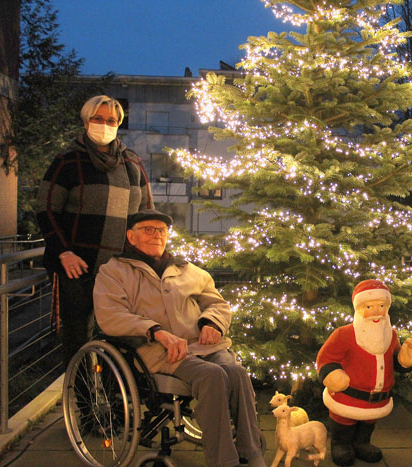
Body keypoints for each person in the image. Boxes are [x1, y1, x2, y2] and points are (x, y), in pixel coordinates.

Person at [93, 209, 265, 467]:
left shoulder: (187, 270)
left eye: (161, 230)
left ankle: (251, 454)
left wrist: (212, 323)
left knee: (237, 372)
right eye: (148, 230)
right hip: (158, 353)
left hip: (203, 345)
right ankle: (224, 462)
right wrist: (156, 331)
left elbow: (217, 304)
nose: (156, 235)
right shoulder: (114, 271)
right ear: (131, 236)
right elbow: (110, 315)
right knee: (213, 376)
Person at [36, 95, 154, 366]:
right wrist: (63, 252)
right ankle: (82, 404)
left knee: (122, 340)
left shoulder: (132, 163)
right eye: (98, 119)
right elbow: (46, 210)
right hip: (78, 268)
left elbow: (146, 213)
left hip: (121, 270)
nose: (104, 125)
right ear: (86, 121)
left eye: (111, 120)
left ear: (119, 124)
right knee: (79, 340)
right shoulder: (67, 161)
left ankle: (116, 405)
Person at [317, 279, 412, 466]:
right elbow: (326, 357)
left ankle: (362, 443)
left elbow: (394, 358)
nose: (376, 311)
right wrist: (332, 374)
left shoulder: (390, 334)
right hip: (347, 396)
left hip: (376, 399)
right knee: (344, 419)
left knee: (368, 423)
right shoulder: (344, 334)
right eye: (369, 306)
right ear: (358, 308)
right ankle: (341, 443)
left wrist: (404, 360)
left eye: (381, 306)